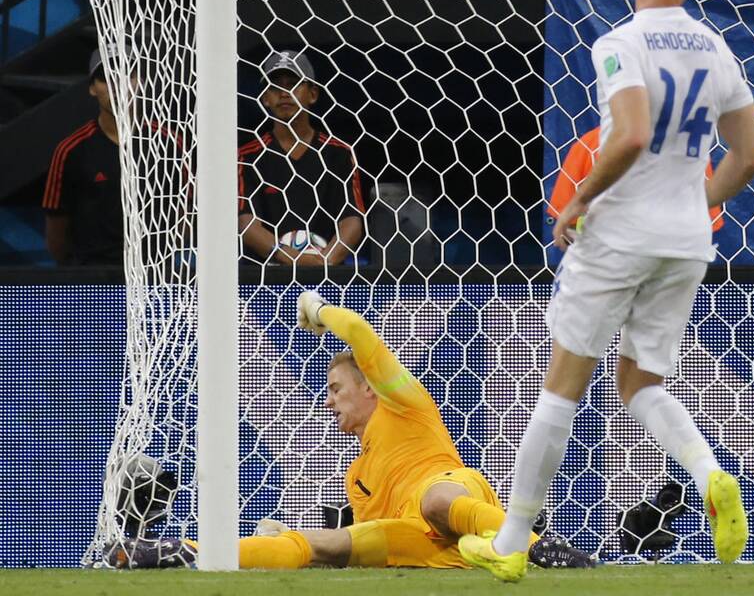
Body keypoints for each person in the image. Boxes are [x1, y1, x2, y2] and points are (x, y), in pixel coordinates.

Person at [459, 0, 754, 581]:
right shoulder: (717, 49)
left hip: (621, 233)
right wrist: (700, 202)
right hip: (685, 242)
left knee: (561, 388)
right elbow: (749, 156)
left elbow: (629, 134)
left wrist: (578, 200)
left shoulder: (620, 43)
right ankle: (711, 473)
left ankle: (510, 544)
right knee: (640, 383)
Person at [107, 291, 593, 571]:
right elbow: (368, 534)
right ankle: (183, 552)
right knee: (318, 543)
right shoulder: (355, 476)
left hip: (448, 491)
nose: (327, 399)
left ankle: (540, 549)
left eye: (337, 388)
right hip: (424, 544)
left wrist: (314, 308)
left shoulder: (405, 405)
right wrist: (291, 535)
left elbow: (359, 332)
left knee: (436, 501)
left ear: (369, 390)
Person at [238, 50, 366, 267]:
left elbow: (352, 221)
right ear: (265, 99)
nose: (284, 93)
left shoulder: (339, 153)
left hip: (327, 277)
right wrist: (294, 259)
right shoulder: (248, 156)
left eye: (293, 84)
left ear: (313, 94)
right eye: (276, 86)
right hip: (263, 282)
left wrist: (325, 263)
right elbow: (247, 224)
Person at [548, 124, 724, 234]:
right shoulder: (689, 150)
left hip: (604, 267)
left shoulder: (688, 150)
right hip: (662, 268)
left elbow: (567, 224)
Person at [41, 46, 128, 265]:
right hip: (92, 278)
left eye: (127, 74)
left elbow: (188, 209)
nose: (117, 85)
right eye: (107, 78)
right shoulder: (71, 150)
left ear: (141, 82)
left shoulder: (167, 142)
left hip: (156, 277)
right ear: (92, 88)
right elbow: (56, 231)